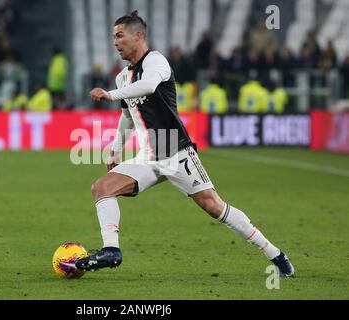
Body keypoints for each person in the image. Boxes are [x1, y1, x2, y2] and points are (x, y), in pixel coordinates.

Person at [72, 11, 295, 277]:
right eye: (113, 37)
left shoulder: (156, 61)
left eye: (120, 35)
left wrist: (109, 94)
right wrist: (117, 148)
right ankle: (112, 250)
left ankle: (275, 254)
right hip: (149, 155)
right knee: (102, 187)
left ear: (138, 35)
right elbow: (127, 115)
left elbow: (149, 86)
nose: (115, 42)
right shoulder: (123, 77)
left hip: (176, 152)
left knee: (214, 206)